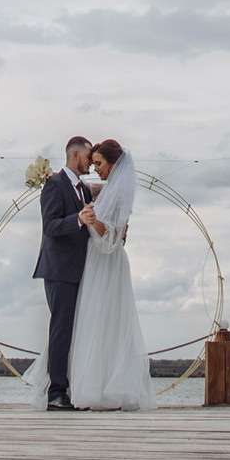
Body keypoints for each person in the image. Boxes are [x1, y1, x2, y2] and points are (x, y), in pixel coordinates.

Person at [63, 138, 153, 411]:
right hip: (103, 262)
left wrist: (91, 219)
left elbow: (110, 236)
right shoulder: (113, 189)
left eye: (100, 164)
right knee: (100, 320)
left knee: (101, 320)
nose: (96, 169)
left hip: (104, 262)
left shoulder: (118, 193)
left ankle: (98, 388)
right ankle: (99, 385)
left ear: (113, 163)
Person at [30, 136, 95, 412]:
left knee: (77, 331)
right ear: (75, 154)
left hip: (83, 270)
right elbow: (51, 227)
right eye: (89, 156)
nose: (91, 161)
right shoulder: (54, 186)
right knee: (61, 331)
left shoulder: (85, 190)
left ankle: (72, 389)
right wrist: (78, 219)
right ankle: (56, 394)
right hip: (59, 270)